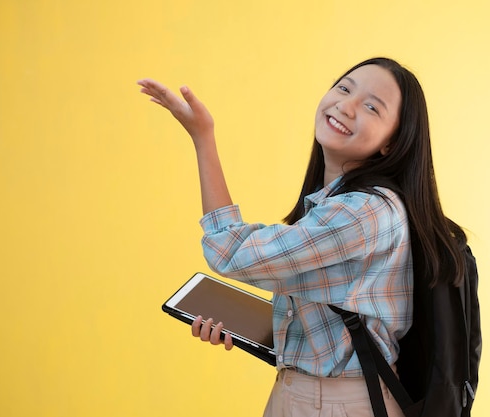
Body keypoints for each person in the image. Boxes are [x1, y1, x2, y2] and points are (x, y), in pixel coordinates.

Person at [137, 57, 467, 417]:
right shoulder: (334, 205)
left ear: (393, 142)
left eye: (372, 107)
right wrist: (258, 331)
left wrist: (203, 138)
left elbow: (229, 253)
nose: (347, 106)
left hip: (340, 404)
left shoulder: (363, 212)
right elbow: (330, 327)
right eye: (344, 88)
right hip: (303, 395)